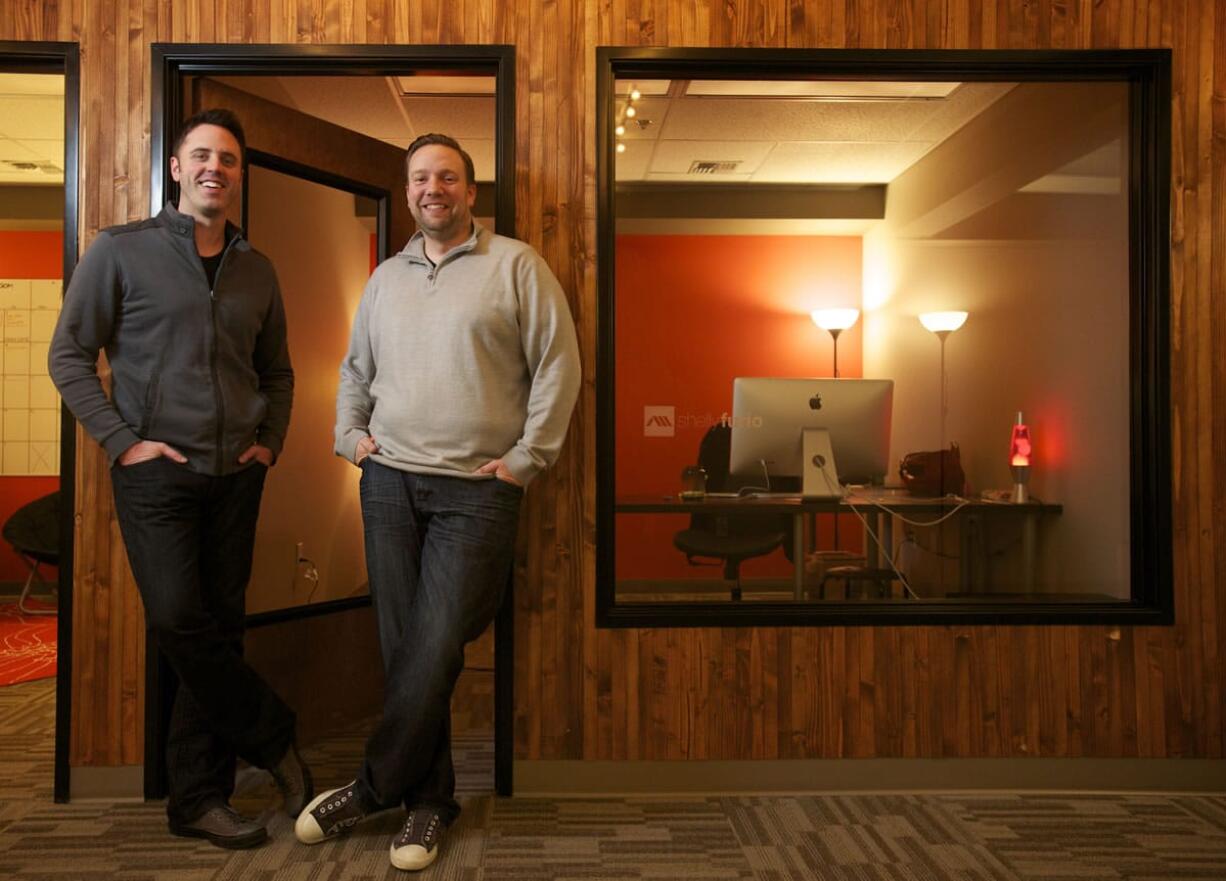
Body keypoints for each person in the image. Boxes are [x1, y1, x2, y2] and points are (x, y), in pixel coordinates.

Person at [295, 133, 580, 871]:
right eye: (420, 177)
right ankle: (429, 800)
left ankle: (371, 785)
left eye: (446, 176)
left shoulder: (517, 265)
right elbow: (355, 368)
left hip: (477, 490)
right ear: (409, 189)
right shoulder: (386, 278)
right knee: (405, 648)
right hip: (388, 481)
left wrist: (526, 460)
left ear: (469, 191)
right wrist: (347, 436)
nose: (432, 188)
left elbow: (559, 366)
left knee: (437, 639)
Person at [49, 108, 312, 849]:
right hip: (156, 475)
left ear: (238, 174)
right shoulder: (120, 252)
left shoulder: (256, 269)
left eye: (228, 159)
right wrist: (122, 443)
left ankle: (198, 798)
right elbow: (69, 355)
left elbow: (279, 371)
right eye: (201, 155)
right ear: (175, 168)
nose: (214, 169)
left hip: (236, 475)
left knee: (219, 630)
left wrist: (270, 443)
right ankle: (275, 737)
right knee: (177, 618)